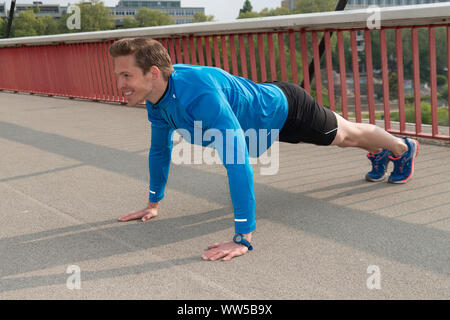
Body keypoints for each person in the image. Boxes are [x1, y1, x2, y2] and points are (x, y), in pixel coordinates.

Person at [109, 37, 419, 261]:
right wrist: (153, 204)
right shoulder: (156, 99)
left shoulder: (198, 94)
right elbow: (160, 151)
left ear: (153, 72)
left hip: (286, 110)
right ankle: (382, 151)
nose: (120, 84)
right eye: (118, 75)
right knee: (348, 136)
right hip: (260, 114)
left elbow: (236, 159)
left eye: (127, 76)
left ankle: (402, 147)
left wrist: (243, 237)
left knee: (347, 135)